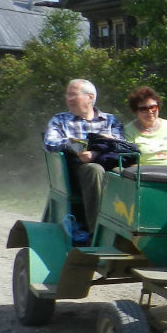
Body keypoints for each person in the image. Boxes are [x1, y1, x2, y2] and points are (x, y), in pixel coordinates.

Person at [42, 79, 125, 230]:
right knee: (94, 170)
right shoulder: (60, 120)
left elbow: (122, 145)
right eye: (67, 95)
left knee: (128, 174)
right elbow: (49, 143)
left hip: (108, 164)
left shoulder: (110, 120)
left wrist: (96, 152)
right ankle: (96, 231)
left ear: (90, 97)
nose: (69, 99)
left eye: (73, 95)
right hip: (74, 170)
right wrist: (76, 146)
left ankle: (129, 228)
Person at [123, 86, 167, 167]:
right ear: (135, 111)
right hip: (145, 176)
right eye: (143, 109)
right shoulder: (128, 131)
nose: (150, 112)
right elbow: (129, 162)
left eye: (153, 107)